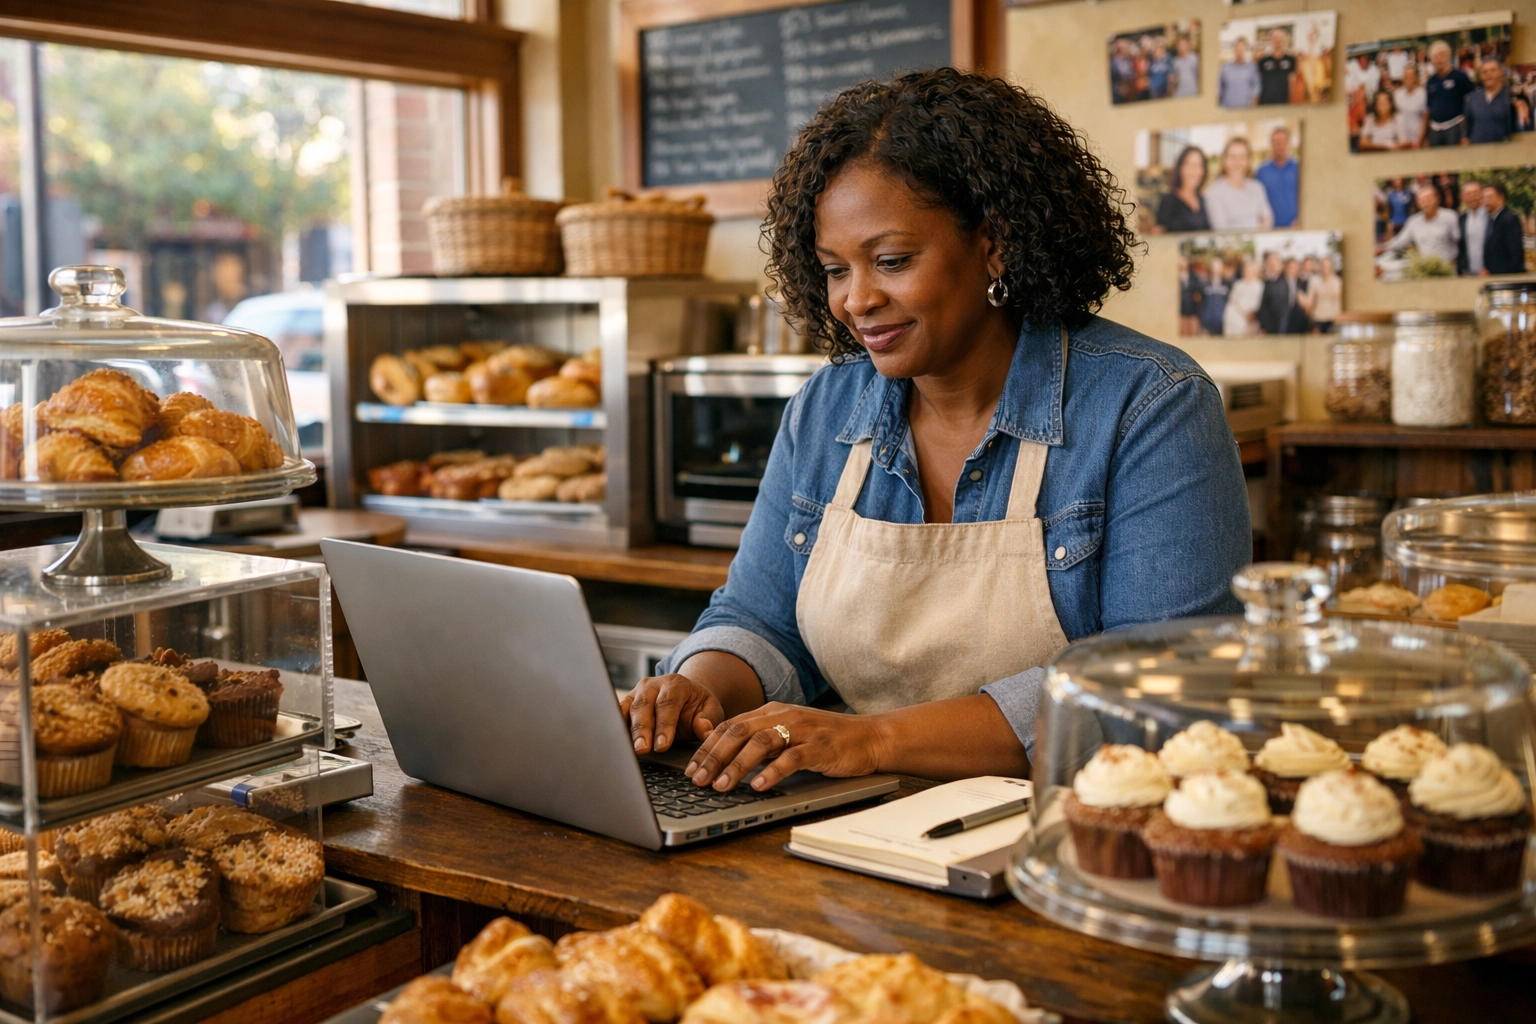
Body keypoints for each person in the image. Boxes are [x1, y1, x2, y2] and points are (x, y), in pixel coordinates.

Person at [621, 69, 1250, 790]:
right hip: (846, 826)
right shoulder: (825, 409)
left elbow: (1159, 687)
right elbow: (761, 618)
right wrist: (698, 686)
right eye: (834, 270)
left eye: (891, 261)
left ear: (996, 243)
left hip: (1072, 833)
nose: (857, 301)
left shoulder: (1148, 405)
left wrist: (873, 740)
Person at [1380, 184, 1460, 267]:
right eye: (1421, 200)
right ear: (1417, 203)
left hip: (1448, 268)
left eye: (1428, 199)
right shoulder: (1413, 221)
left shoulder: (1450, 216)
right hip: (1426, 268)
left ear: (1437, 199)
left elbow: (1460, 241)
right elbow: (1400, 241)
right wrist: (1382, 248)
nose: (1425, 203)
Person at [1204, 137, 1274, 231]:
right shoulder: (1213, 192)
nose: (1237, 162)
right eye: (1232, 157)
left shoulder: (1257, 187)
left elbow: (1268, 217)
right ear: (1224, 160)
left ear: (1248, 160)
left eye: (1242, 157)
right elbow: (1221, 230)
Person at [1425, 39, 1475, 146]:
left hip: (1454, 126)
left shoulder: (1460, 76)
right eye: (1435, 56)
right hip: (1435, 129)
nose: (1439, 59)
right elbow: (1429, 106)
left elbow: (1472, 99)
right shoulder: (1430, 81)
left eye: (1442, 55)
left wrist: (1466, 126)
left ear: (1449, 56)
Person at [1154, 145, 1210, 233]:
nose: (1194, 171)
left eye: (1199, 165)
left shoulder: (1205, 201)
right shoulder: (1168, 202)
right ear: (1180, 168)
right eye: (1189, 165)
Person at [1253, 126, 1299, 227]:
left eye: (1283, 141)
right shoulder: (1261, 171)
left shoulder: (1298, 168)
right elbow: (1256, 199)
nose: (1280, 145)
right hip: (1269, 228)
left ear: (1289, 143)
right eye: (1276, 142)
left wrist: (1299, 220)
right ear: (1271, 145)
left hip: (1295, 227)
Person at [1464, 58, 1516, 145]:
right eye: (1484, 72)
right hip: (1477, 152)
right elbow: (1467, 130)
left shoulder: (1511, 97)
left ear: (1501, 72)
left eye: (1493, 70)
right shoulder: (1472, 98)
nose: (1488, 74)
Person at [1482, 181, 1527, 275]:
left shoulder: (1509, 219)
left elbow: (1515, 255)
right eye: (1483, 198)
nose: (1485, 202)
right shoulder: (1492, 220)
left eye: (1489, 198)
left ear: (1501, 198)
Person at [1259, 256, 1308, 334]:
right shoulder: (1275, 282)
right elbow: (1265, 305)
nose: (1292, 270)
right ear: (1285, 268)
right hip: (1279, 322)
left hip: (1297, 322)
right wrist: (1263, 325)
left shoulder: (1302, 283)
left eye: (1294, 267)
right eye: (1290, 267)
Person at [1223, 258, 1263, 337]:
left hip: (1253, 318)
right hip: (1238, 318)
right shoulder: (1238, 284)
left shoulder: (1260, 285)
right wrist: (1245, 313)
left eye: (1250, 270)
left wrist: (1253, 314)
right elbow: (1233, 300)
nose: (1248, 272)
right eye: (1246, 270)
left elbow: (1261, 301)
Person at [1457, 180, 1489, 276]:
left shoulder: (1490, 217)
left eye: (1475, 193)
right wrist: (1463, 269)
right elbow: (1462, 247)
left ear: (1481, 195)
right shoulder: (1462, 219)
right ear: (1463, 197)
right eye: (1468, 194)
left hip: (1488, 272)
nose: (1472, 197)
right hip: (1468, 273)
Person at [1257, 27, 1296, 106]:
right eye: (1275, 37)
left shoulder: (1291, 59)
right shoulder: (1263, 61)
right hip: (1265, 104)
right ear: (1271, 40)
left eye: (1280, 37)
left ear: (1284, 40)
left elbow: (1293, 83)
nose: (1278, 40)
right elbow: (1257, 83)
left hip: (1284, 103)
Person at [1219, 38, 1261, 108]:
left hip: (1245, 109)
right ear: (1234, 49)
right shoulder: (1225, 68)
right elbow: (1220, 88)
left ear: (1245, 50)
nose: (1239, 51)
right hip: (1227, 108)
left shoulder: (1252, 68)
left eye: (1242, 49)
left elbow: (1257, 86)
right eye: (1237, 48)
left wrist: (1253, 101)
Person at [1394, 63, 1428, 147]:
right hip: (1402, 138)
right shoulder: (1397, 94)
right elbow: (1396, 117)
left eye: (1411, 76)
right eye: (1406, 76)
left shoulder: (1422, 93)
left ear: (1415, 78)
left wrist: (1420, 140)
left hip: (1417, 137)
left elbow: (1425, 118)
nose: (1408, 79)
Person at [1305, 256, 1341, 332]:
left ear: (1331, 267)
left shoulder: (1337, 282)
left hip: (1332, 319)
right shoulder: (1314, 281)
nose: (1325, 269)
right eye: (1323, 266)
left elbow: (1338, 301)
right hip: (1317, 319)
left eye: (1327, 267)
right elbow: (1310, 300)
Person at [1198, 255, 1229, 337]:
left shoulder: (1228, 284)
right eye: (1214, 266)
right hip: (1207, 322)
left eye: (1219, 266)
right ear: (1211, 267)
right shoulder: (1204, 284)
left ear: (1222, 267)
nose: (1216, 268)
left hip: (1222, 322)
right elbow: (1201, 303)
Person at [1110, 38, 1141, 104]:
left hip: (1129, 93)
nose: (1127, 49)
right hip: (1117, 93)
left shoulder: (1127, 60)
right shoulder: (1113, 62)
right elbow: (1114, 76)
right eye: (1125, 48)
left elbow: (1132, 74)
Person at [1178, 255, 1204, 336]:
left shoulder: (1194, 277)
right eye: (1181, 261)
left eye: (1184, 261)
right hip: (1181, 312)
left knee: (1193, 334)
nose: (1183, 263)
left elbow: (1199, 292)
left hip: (1193, 311)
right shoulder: (1174, 276)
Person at [1170, 34, 1200, 98]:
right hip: (1179, 95)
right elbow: (1173, 80)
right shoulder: (1175, 61)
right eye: (1179, 45)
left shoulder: (1194, 58)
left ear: (1187, 45)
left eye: (1183, 44)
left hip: (1193, 93)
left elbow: (1199, 76)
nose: (1181, 47)